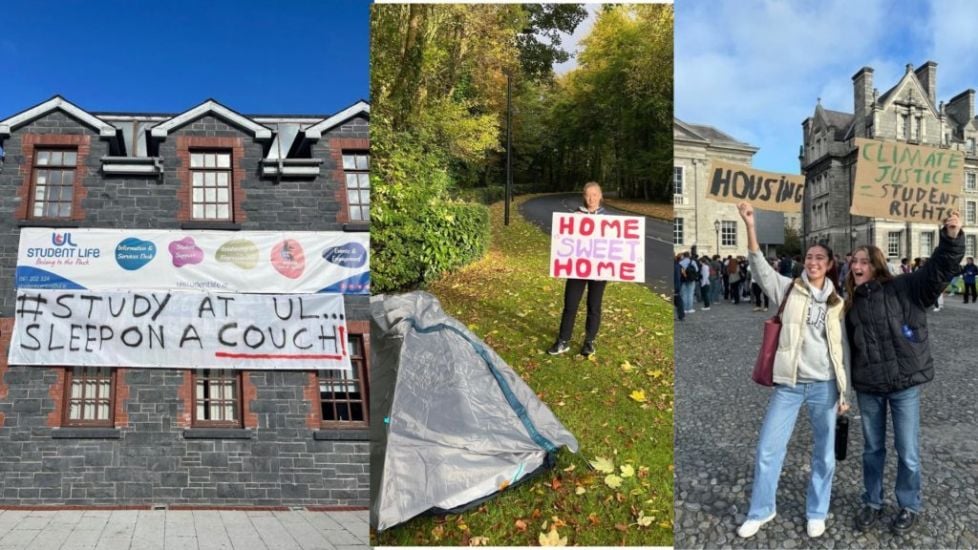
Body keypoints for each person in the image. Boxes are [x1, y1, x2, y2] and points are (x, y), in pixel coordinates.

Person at [735, 202, 850, 540]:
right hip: (790, 383)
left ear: (829, 265)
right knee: (768, 448)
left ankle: (817, 510)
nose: (813, 262)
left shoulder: (838, 303)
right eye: (809, 257)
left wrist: (844, 394)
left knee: (824, 454)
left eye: (820, 259)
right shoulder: (788, 288)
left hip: (825, 386)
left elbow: (841, 351)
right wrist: (751, 225)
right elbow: (759, 267)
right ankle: (761, 509)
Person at [845, 210, 963, 535]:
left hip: (902, 385)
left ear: (877, 265)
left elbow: (939, 272)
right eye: (854, 261)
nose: (857, 266)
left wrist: (950, 238)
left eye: (864, 261)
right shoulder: (848, 303)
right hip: (868, 386)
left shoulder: (905, 287)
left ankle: (909, 504)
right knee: (871, 450)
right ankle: (872, 501)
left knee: (907, 451)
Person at [547, 182, 608, 358]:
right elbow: (563, 240)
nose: (592, 198)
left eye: (595, 194)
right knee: (570, 304)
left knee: (594, 306)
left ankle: (589, 342)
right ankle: (563, 341)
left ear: (600, 196)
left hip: (599, 269)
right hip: (577, 268)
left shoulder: (608, 218)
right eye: (588, 195)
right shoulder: (575, 215)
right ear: (584, 196)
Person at [674, 255, 685, 322]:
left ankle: (681, 316)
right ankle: (681, 316)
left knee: (678, 301)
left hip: (674, 285)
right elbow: (684, 275)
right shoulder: (679, 265)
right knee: (678, 301)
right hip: (677, 285)